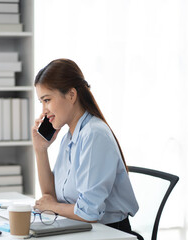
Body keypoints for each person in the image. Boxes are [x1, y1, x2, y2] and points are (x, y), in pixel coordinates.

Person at [32, 58, 142, 239]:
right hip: (82, 230)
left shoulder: (94, 134)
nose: (44, 110)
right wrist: (41, 149)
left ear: (71, 95)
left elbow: (87, 213)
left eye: (47, 100)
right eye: (41, 102)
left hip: (110, 233)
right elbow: (50, 196)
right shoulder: (70, 136)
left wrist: (51, 206)